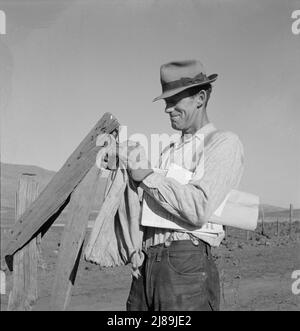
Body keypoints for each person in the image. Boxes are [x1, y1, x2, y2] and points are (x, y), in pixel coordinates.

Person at [107, 60, 244, 311]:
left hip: (184, 262)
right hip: (148, 262)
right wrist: (127, 169)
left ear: (200, 98)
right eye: (166, 102)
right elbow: (155, 205)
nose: (167, 109)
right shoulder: (168, 152)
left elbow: (199, 206)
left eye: (174, 101)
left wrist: (147, 175)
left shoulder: (223, 143)